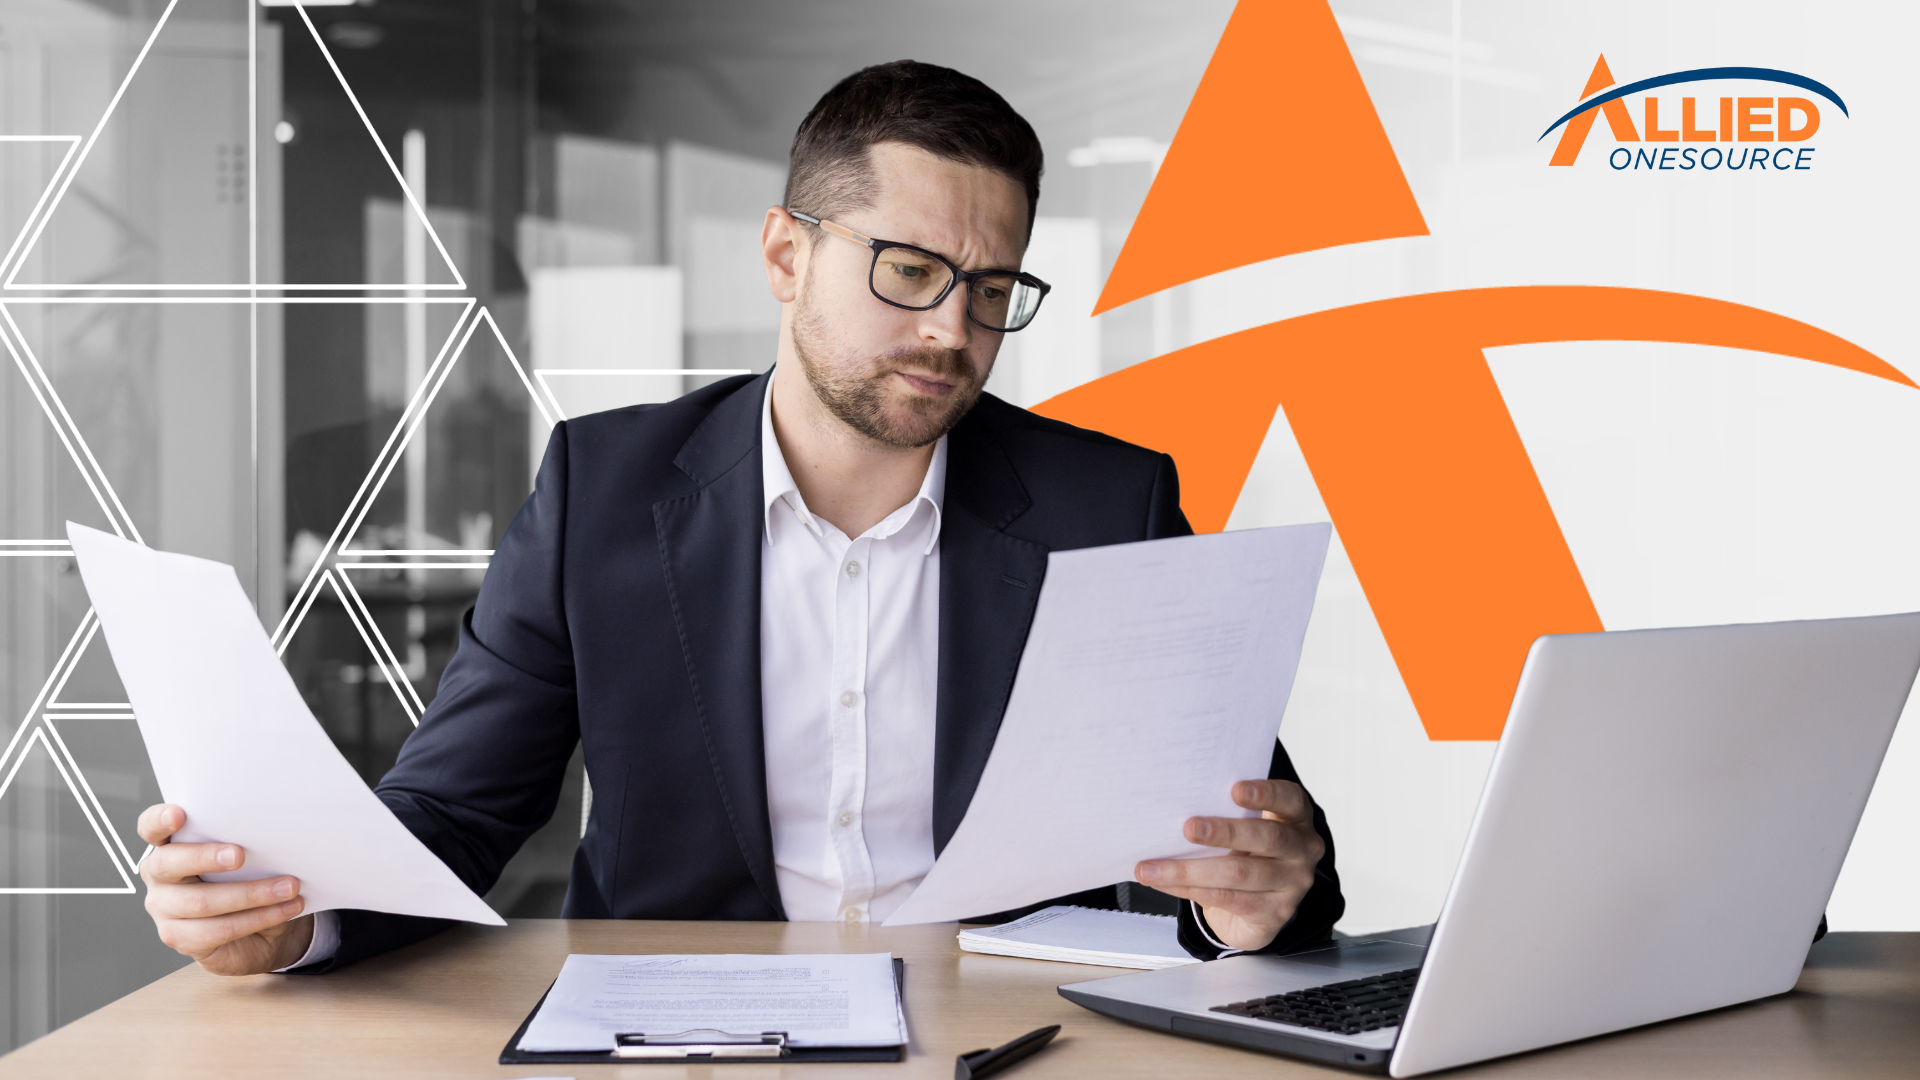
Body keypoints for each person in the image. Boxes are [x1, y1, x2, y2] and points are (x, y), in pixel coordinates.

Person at [134, 60, 1344, 976]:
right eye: (909, 271)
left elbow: (1249, 839)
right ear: (783, 254)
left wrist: (1246, 900)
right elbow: (452, 813)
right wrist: (293, 918)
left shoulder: (1106, 502)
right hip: (683, 1036)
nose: (951, 331)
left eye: (990, 290)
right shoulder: (601, 490)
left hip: (1007, 1036)